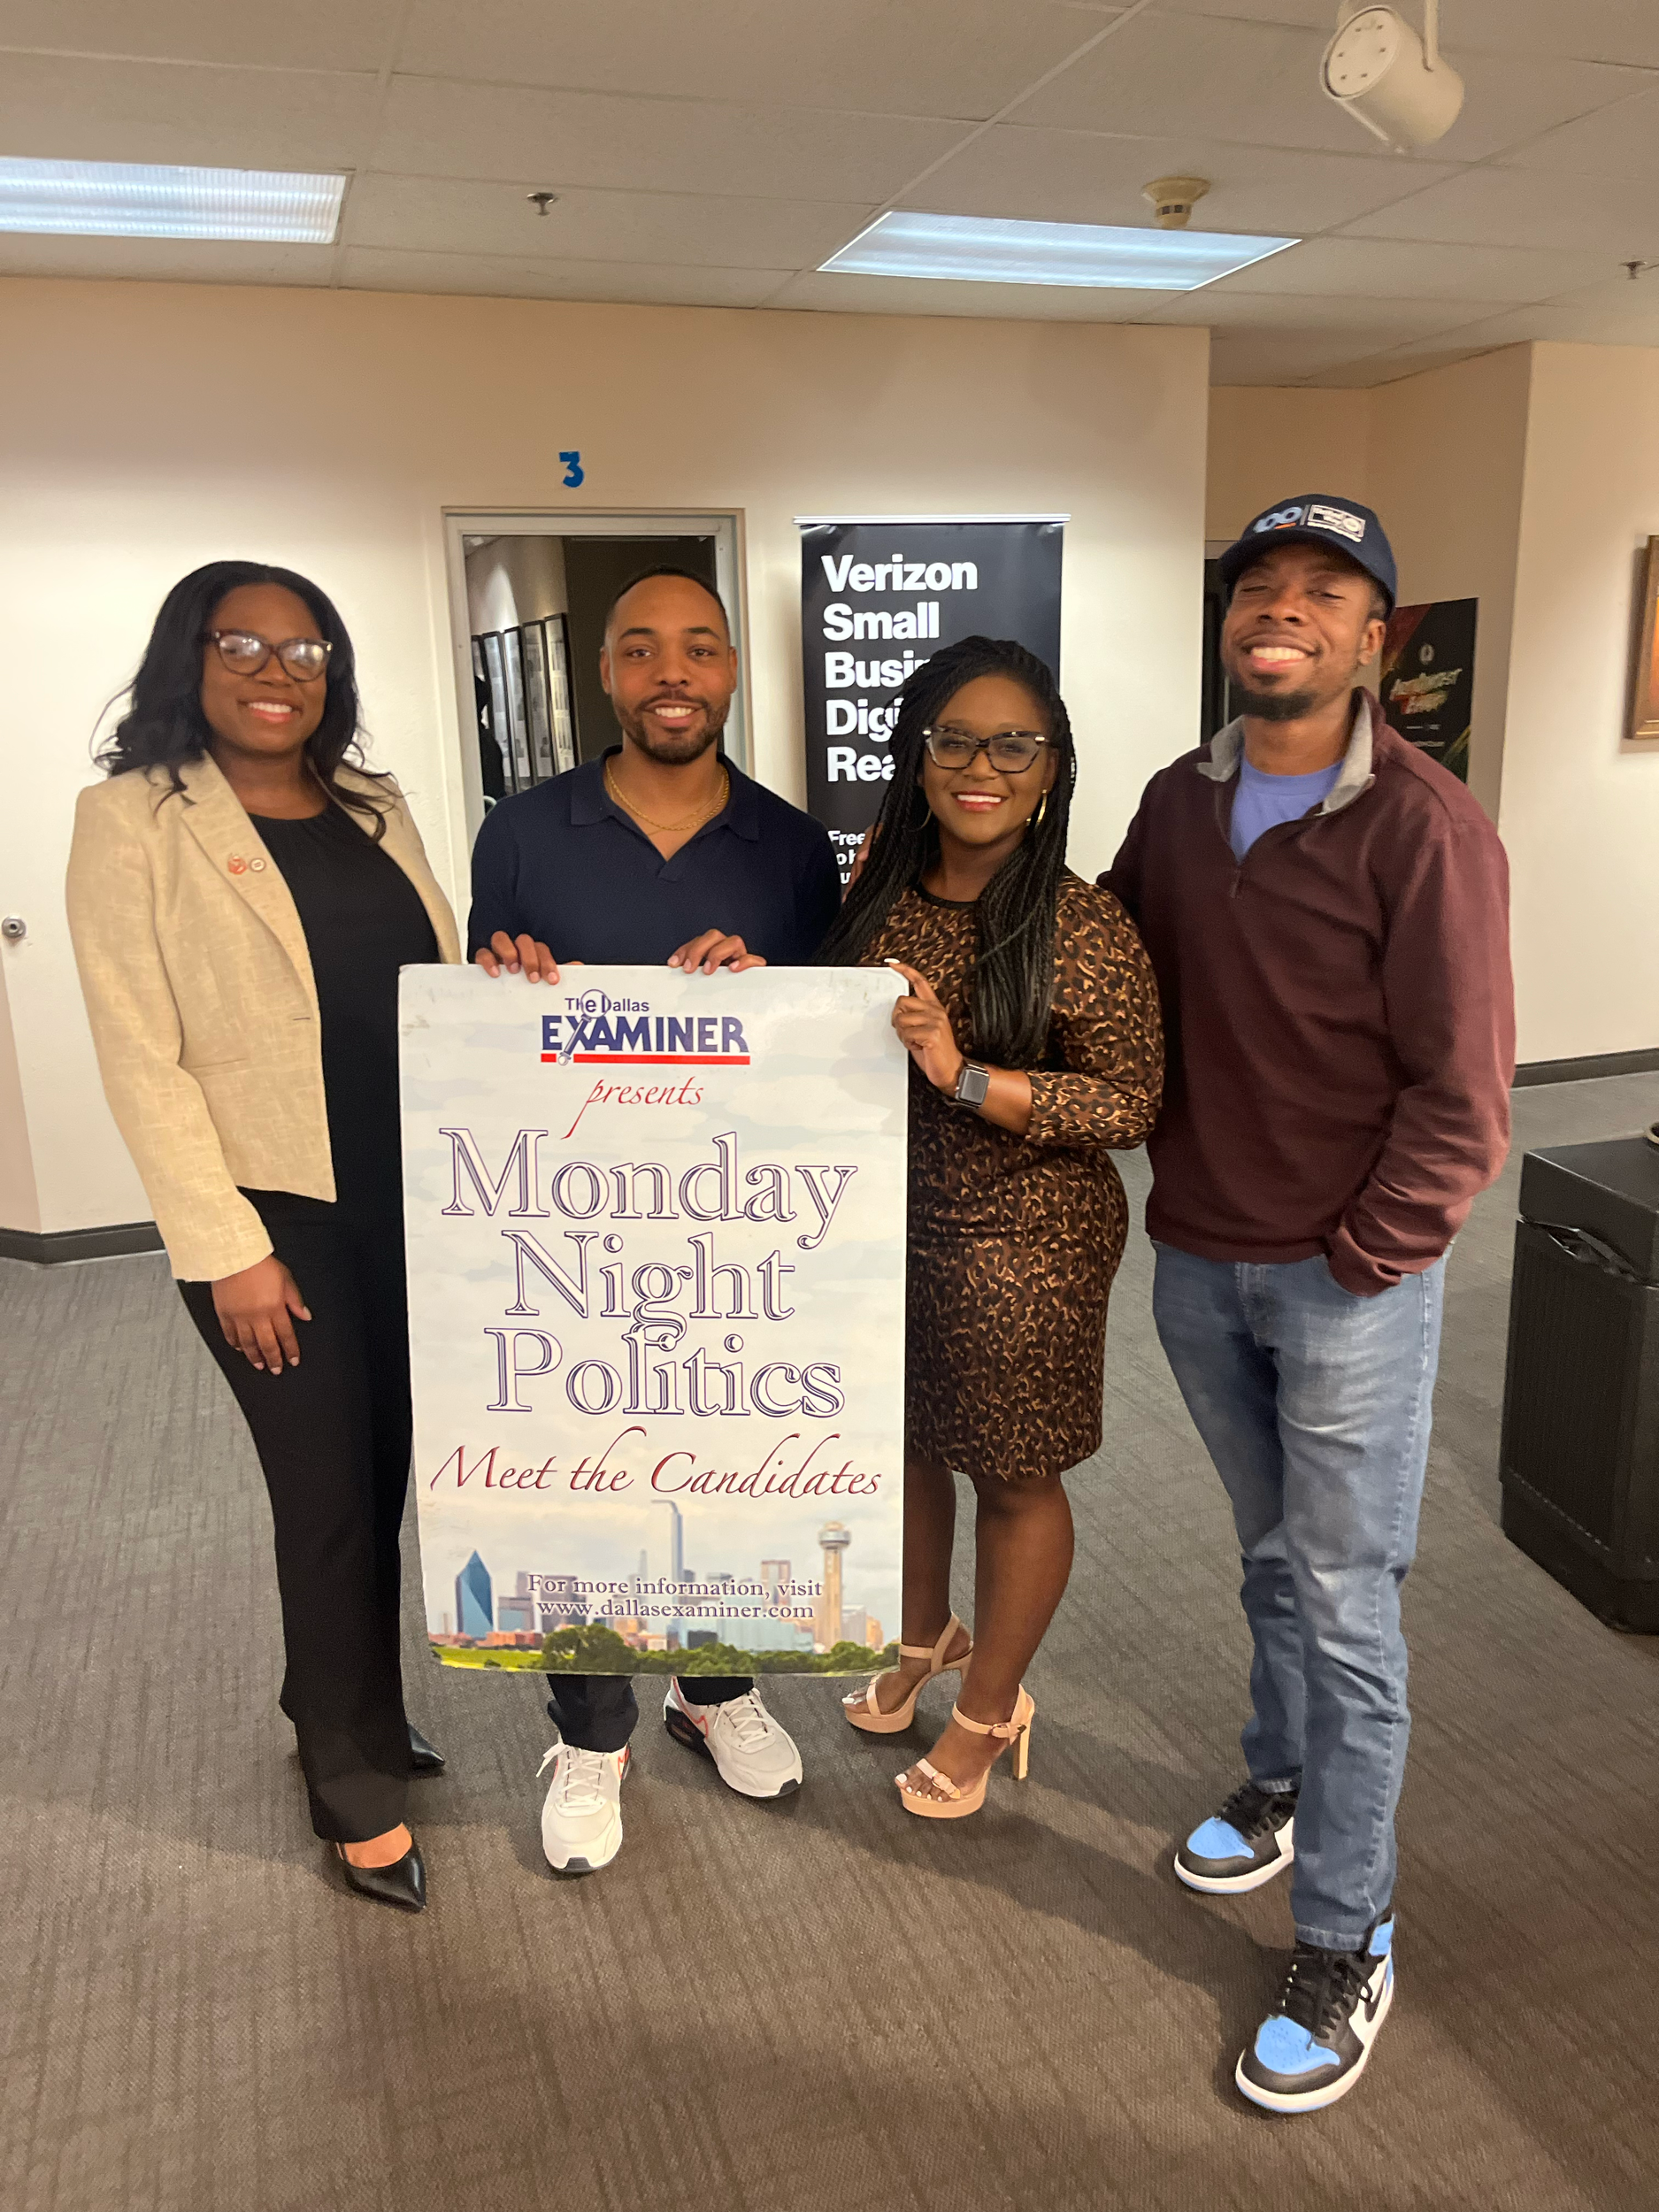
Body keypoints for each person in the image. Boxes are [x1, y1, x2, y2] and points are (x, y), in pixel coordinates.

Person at [1104, 495, 1514, 2111]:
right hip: (1196, 1261)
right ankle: (1274, 1784)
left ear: (1373, 641)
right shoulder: (1173, 802)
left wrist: (1366, 1256)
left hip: (1346, 1283)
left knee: (1345, 1603)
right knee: (1270, 1558)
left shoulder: (1424, 826)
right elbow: (1103, 975)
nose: (1278, 612)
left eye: (1320, 594)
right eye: (1254, 589)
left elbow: (1466, 1097)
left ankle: (1347, 1931)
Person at [66, 561, 462, 1914]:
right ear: (191, 656)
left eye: (305, 648)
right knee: (325, 1497)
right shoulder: (132, 822)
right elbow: (138, 1053)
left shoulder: (375, 806)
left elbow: (430, 985)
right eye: (242, 642)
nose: (275, 669)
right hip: (269, 1220)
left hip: (413, 1200)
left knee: (389, 1469)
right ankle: (348, 1780)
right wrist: (223, 1244)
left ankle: (340, 1700)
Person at [468, 565, 841, 1873]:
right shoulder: (519, 830)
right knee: (583, 1486)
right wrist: (501, 978)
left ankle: (717, 1689)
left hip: (733, 1233)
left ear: (732, 670)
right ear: (608, 675)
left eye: (698, 648)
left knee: (727, 1475)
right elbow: (484, 1044)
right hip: (571, 1238)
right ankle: (590, 1735)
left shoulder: (793, 848)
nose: (670, 672)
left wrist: (765, 995)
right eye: (641, 649)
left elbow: (818, 1057)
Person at [818, 635, 1162, 1818]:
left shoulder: (1078, 922)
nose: (982, 765)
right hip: (885, 1225)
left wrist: (963, 1072)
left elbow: (1129, 1103)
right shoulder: (874, 897)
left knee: (1011, 1475)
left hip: (1025, 1241)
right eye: (955, 739)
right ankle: (923, 1636)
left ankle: (988, 1707)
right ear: (918, 761)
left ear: (1051, 768)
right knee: (908, 1441)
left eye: (1014, 744)